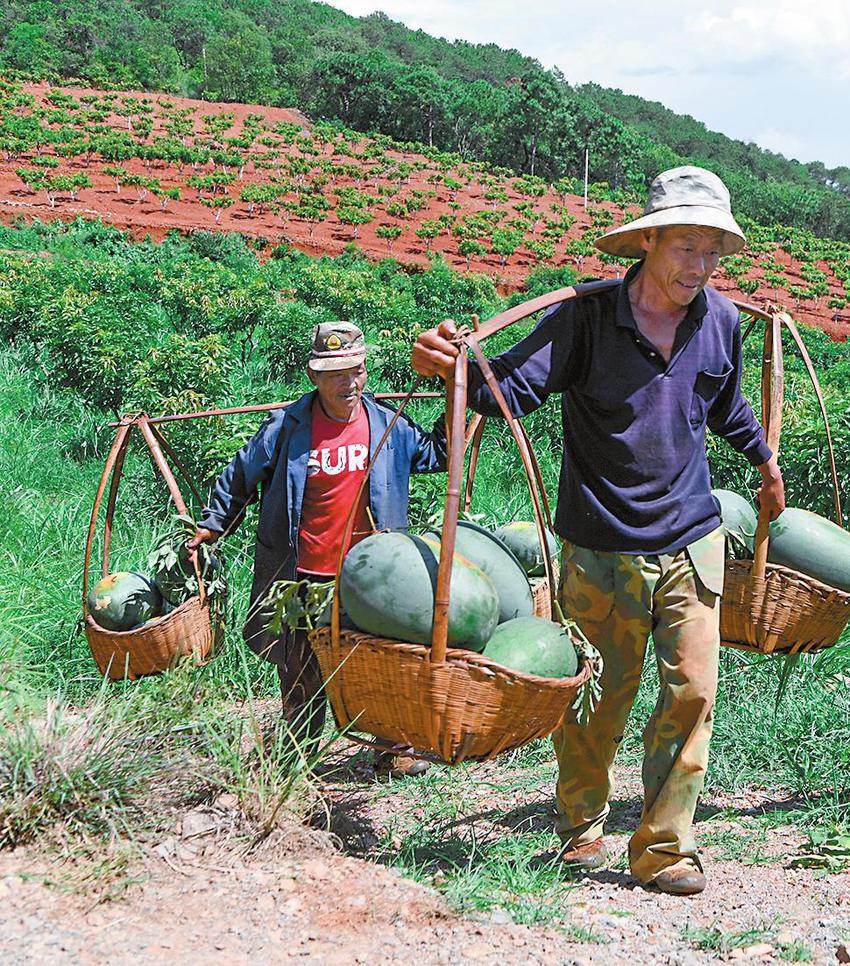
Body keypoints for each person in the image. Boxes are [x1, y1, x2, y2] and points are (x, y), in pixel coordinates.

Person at [411, 166, 785, 895]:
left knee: (692, 697)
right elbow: (507, 389)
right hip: (601, 549)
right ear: (646, 241)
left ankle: (664, 848)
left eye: (713, 252)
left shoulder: (723, 322)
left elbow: (726, 405)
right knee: (598, 700)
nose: (700, 267)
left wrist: (764, 460)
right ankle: (581, 825)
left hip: (693, 540)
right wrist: (450, 365)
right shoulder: (584, 319)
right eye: (686, 248)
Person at [190, 321, 448, 776]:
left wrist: (455, 394)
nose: (348, 383)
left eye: (356, 371)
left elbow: (440, 454)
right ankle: (297, 755)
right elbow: (240, 477)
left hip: (369, 580)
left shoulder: (388, 424)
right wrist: (212, 526)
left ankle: (392, 751)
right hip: (299, 574)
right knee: (298, 668)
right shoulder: (287, 427)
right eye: (335, 374)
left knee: (378, 662)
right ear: (314, 376)